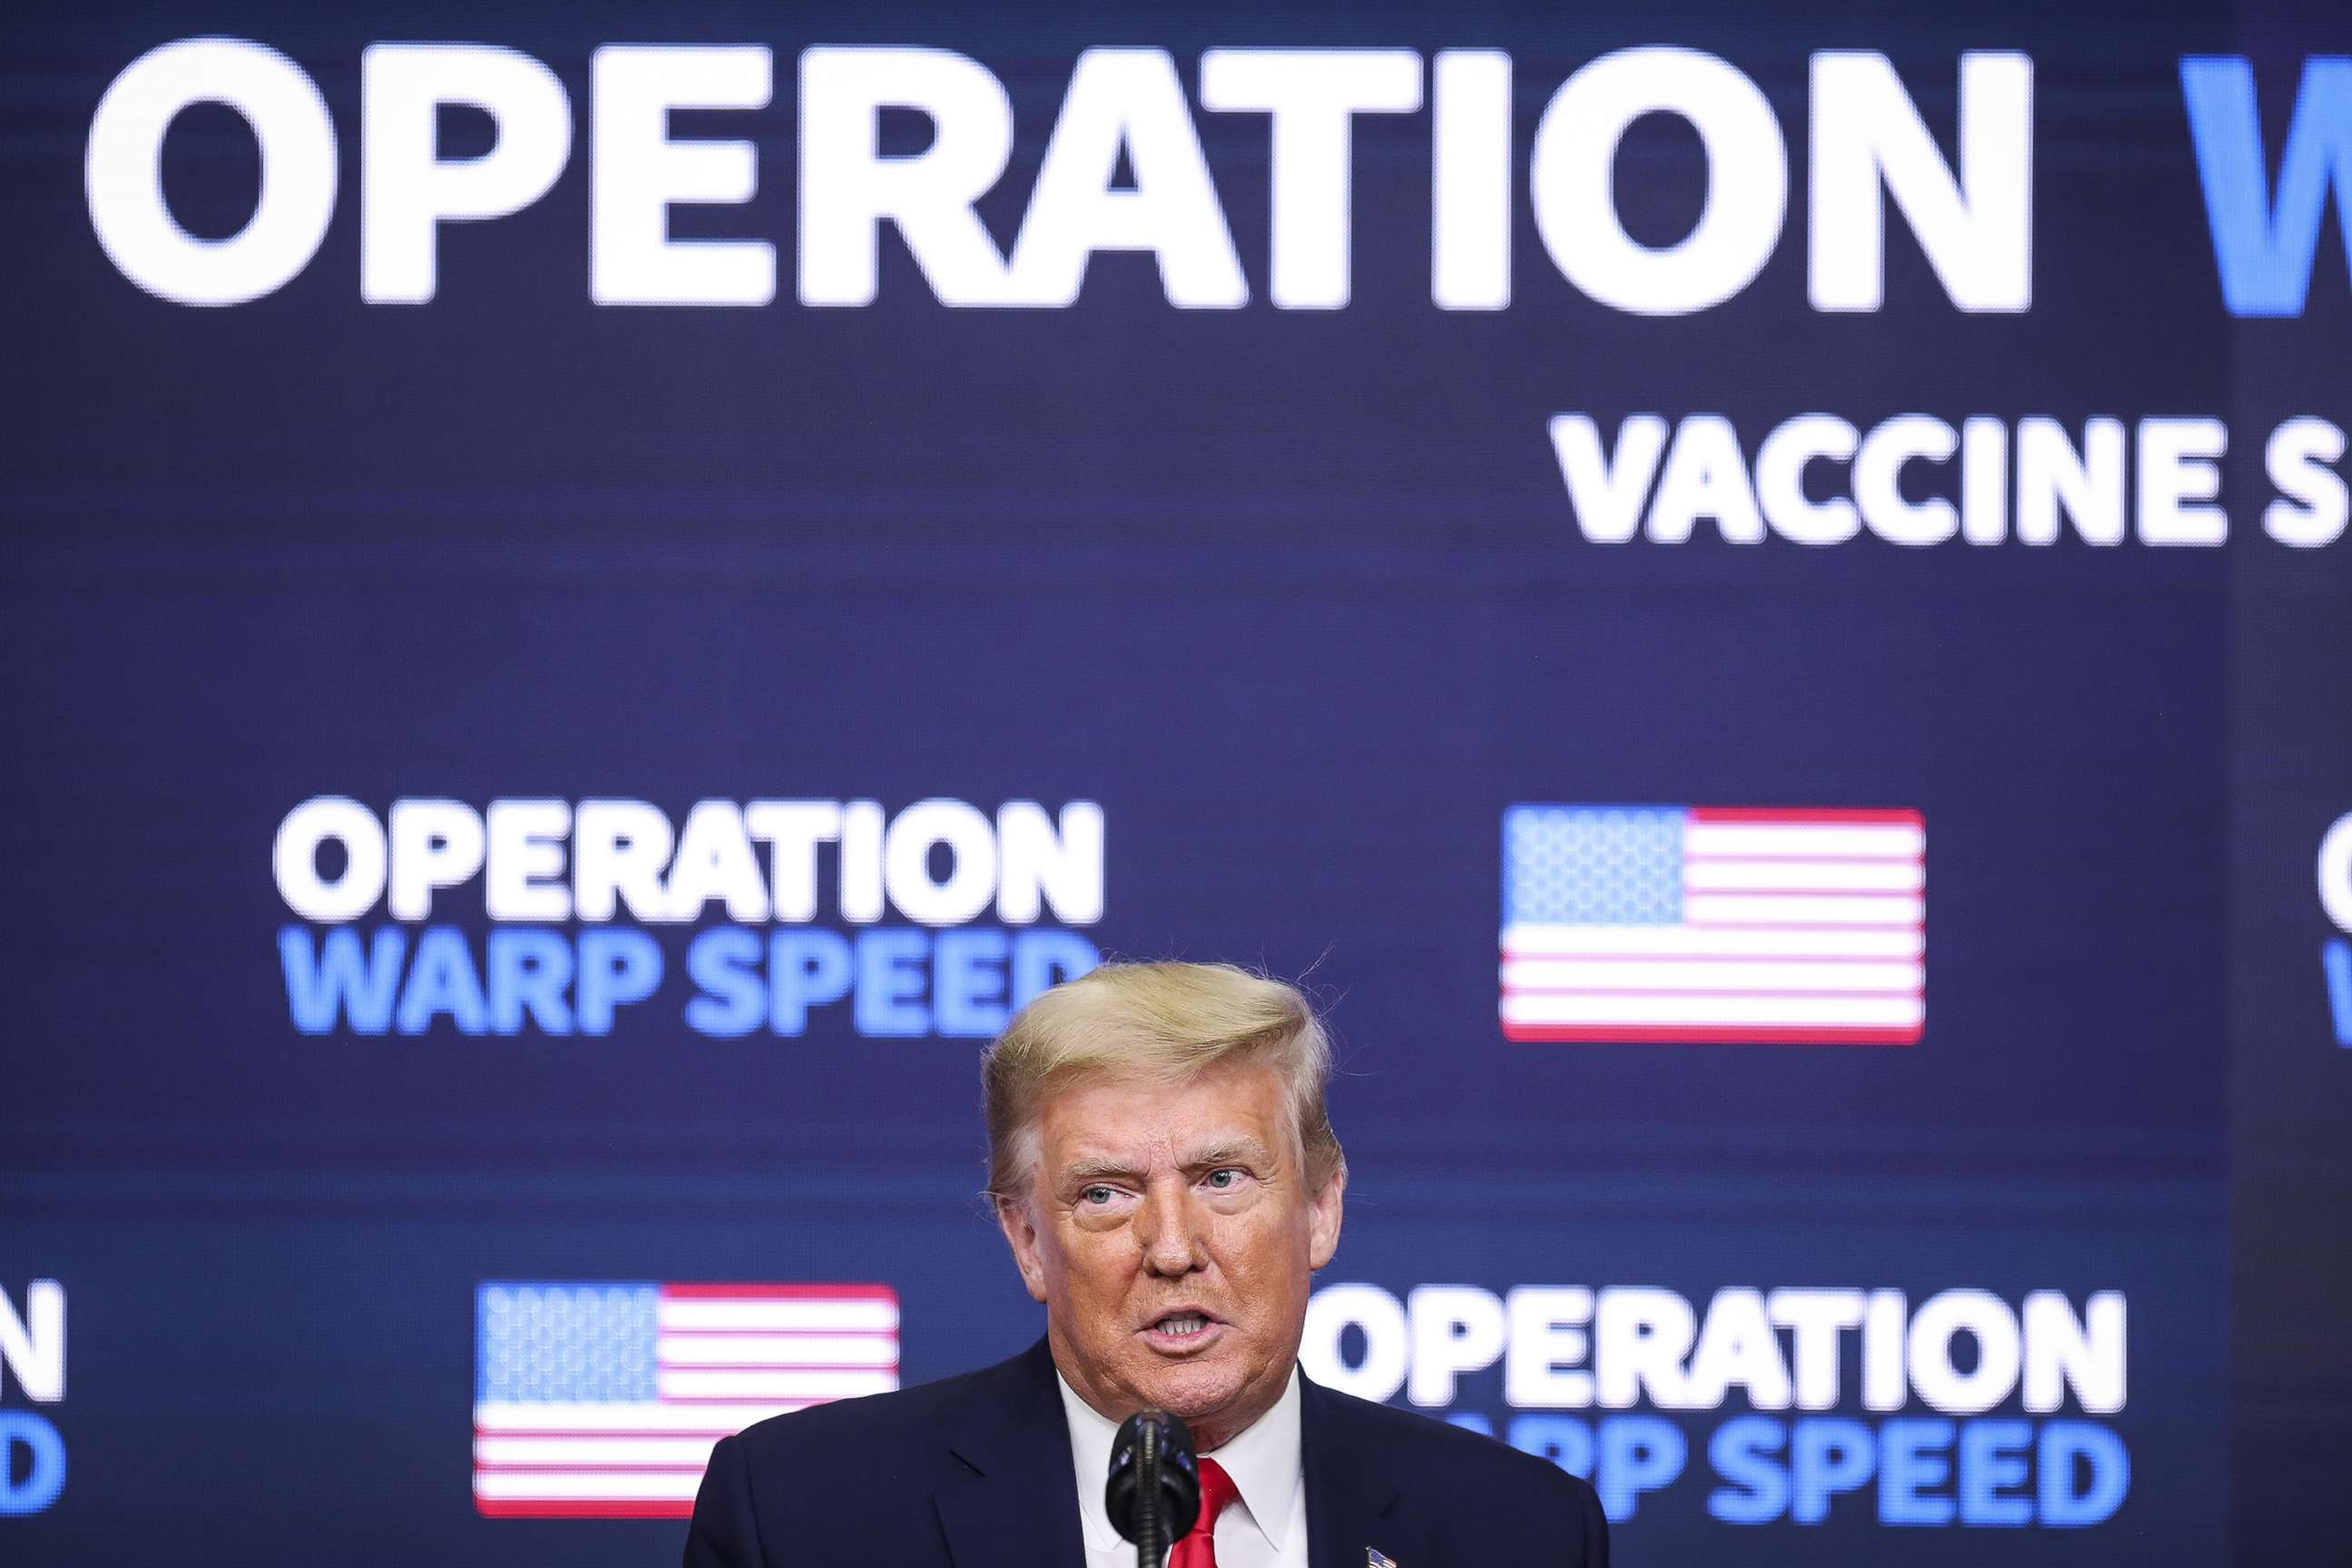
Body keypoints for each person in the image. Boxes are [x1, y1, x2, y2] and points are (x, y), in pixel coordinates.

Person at [684, 961, 1609, 1567]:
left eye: (1221, 1177)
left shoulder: (1518, 1534)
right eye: (1105, 1194)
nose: (1172, 1249)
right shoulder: (806, 1519)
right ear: (1026, 1239)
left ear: (1321, 1208)